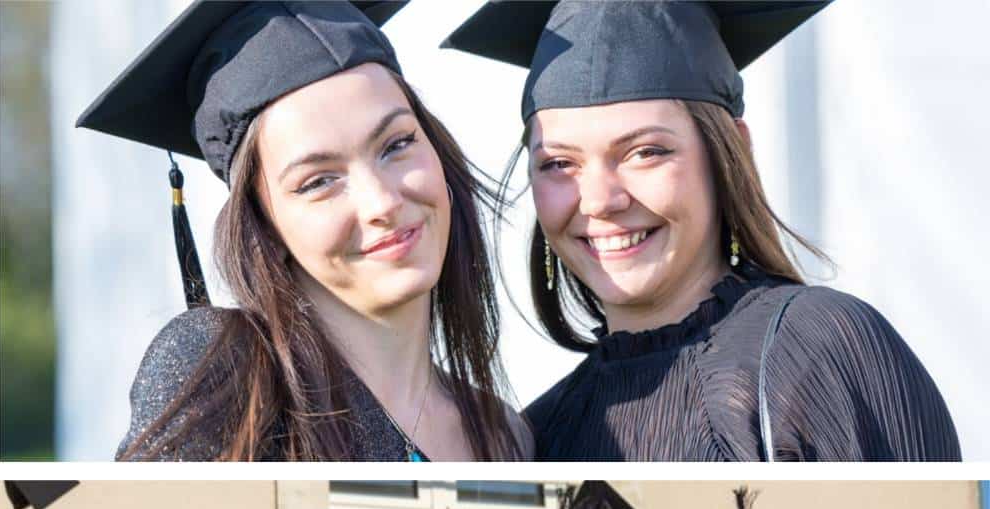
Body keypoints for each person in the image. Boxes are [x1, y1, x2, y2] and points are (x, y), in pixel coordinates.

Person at [447, 0, 961, 461]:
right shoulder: (539, 435)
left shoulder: (820, 349)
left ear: (728, 152)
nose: (601, 200)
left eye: (646, 152)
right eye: (559, 163)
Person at [82, 1, 524, 461]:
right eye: (319, 181)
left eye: (397, 144)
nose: (382, 202)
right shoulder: (230, 383)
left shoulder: (506, 436)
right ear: (264, 227)